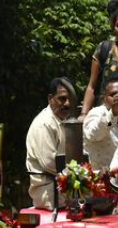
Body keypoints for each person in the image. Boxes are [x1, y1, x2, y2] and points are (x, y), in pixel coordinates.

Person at [25, 77, 78, 209]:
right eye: (62, 99)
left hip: (64, 187)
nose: (67, 104)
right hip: (49, 191)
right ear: (50, 99)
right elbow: (50, 163)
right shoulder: (44, 123)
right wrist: (80, 174)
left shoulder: (66, 120)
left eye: (70, 99)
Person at [83, 76, 118, 170]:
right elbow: (94, 134)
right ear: (104, 98)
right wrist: (113, 114)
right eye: (114, 95)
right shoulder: (97, 113)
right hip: (102, 181)